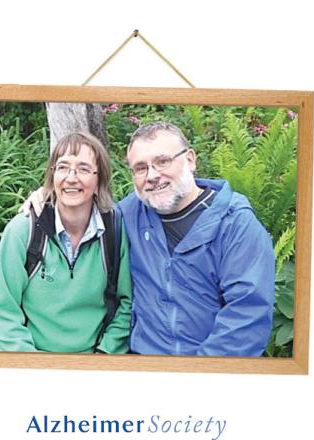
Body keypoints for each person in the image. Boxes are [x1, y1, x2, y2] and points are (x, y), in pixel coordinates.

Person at [25, 122, 276, 356]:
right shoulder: (128, 216)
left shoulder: (235, 225)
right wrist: (49, 195)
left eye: (163, 161)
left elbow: (247, 315)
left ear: (190, 159)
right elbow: (80, 212)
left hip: (212, 369)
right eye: (140, 168)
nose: (152, 175)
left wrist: (197, 373)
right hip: (141, 363)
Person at [0, 132, 131, 353]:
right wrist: (31, 364)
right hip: (34, 357)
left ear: (99, 180)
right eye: (63, 167)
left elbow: (127, 304)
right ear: (52, 175)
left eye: (83, 169)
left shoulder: (115, 231)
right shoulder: (23, 231)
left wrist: (105, 354)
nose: (71, 178)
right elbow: (3, 313)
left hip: (95, 358)